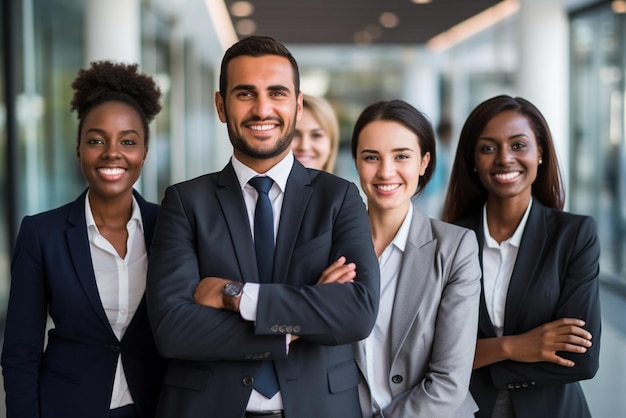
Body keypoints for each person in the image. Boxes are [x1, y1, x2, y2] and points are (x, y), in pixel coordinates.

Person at [146, 35, 380, 418]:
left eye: (277, 93)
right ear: (221, 106)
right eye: (245, 94)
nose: (262, 108)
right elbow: (173, 329)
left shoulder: (338, 197)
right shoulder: (186, 202)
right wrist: (302, 316)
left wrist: (235, 296)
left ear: (298, 105)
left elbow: (357, 311)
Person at [1, 60, 168, 418]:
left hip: (155, 405)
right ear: (79, 149)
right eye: (96, 140)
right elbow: (20, 352)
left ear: (144, 153)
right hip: (68, 406)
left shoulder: (170, 226)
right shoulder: (41, 234)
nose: (112, 152)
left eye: (128, 141)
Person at [442, 95, 601, 418]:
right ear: (473, 159)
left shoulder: (573, 236)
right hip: (466, 411)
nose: (504, 159)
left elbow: (582, 359)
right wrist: (514, 347)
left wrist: (477, 360)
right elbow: (430, 352)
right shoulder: (449, 239)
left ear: (539, 152)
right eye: (488, 148)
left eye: (518, 145)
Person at [350, 99, 481, 417]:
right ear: (356, 161)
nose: (385, 171)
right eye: (371, 157)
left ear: (424, 162)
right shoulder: (330, 246)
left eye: (401, 156)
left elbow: (449, 381)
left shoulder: (454, 248)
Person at [291, 93, 340, 173]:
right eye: (294, 135)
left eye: (316, 135)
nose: (304, 147)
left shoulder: (347, 185)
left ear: (331, 144)